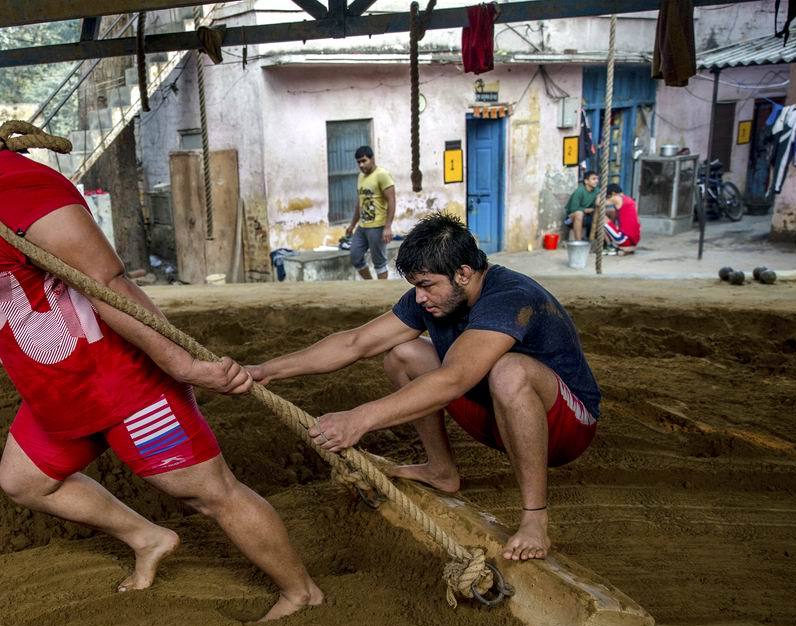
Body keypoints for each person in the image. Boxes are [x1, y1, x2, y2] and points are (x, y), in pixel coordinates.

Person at [0, 70, 322, 621]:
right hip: (63, 390)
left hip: (123, 387)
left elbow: (108, 284)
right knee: (24, 480)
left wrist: (184, 365)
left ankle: (301, 592)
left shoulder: (19, 189)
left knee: (211, 494)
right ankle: (148, 538)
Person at [248, 213, 600, 561]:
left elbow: (454, 379)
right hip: (497, 415)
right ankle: (441, 469)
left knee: (509, 371)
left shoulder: (510, 297)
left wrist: (360, 419)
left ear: (464, 273)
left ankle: (535, 517)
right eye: (415, 285)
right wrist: (267, 371)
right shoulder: (436, 299)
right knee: (402, 354)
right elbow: (355, 343)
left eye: (426, 284)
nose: (419, 297)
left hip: (564, 428)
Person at [344, 146, 395, 280]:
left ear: (372, 159)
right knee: (355, 256)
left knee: (379, 262)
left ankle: (382, 293)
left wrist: (388, 226)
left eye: (364, 161)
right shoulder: (360, 177)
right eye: (358, 162)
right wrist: (352, 225)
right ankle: (371, 284)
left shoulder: (382, 175)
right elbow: (359, 203)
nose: (361, 165)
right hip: (362, 226)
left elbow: (391, 200)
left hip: (378, 226)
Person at [602, 183, 640, 255]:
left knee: (600, 217)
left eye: (608, 196)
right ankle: (628, 248)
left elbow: (598, 203)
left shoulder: (616, 198)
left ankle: (609, 245)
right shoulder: (630, 200)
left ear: (613, 193)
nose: (608, 198)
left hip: (623, 239)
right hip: (634, 240)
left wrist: (600, 194)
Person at [564, 170, 600, 241]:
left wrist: (598, 198)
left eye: (597, 179)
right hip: (570, 220)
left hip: (587, 218)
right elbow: (573, 210)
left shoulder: (597, 190)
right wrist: (586, 210)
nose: (596, 181)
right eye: (593, 179)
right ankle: (579, 242)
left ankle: (605, 241)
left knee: (610, 211)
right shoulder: (579, 191)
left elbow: (597, 205)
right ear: (586, 181)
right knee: (579, 214)